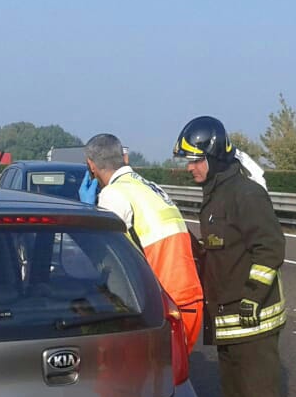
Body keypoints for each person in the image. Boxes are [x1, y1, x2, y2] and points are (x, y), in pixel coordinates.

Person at [172, 116, 288, 397]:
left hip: (253, 320)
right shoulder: (215, 195)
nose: (190, 168)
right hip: (226, 321)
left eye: (195, 160)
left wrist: (252, 298)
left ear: (214, 156)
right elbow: (222, 253)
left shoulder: (245, 195)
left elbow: (269, 249)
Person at [78, 133, 204, 353]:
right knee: (173, 378)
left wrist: (88, 213)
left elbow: (101, 255)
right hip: (188, 296)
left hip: (162, 304)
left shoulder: (114, 194)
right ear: (124, 158)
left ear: (91, 165)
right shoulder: (151, 187)